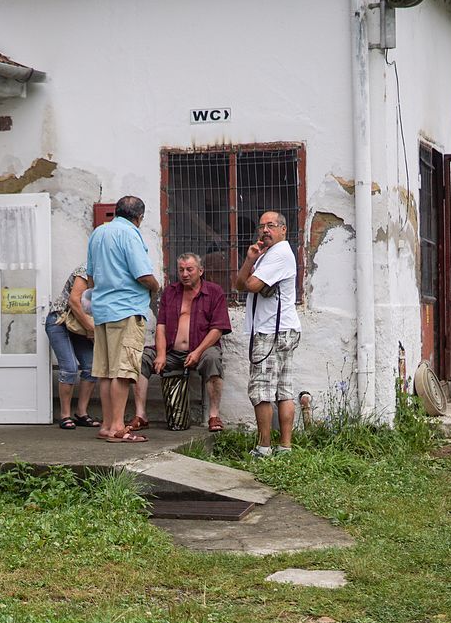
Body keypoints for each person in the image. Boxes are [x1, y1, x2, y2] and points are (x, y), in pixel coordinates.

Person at [86, 195, 160, 442]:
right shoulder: (130, 234)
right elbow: (142, 274)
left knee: (106, 372)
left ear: (116, 212)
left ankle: (107, 425)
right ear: (139, 217)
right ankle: (118, 427)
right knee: (123, 371)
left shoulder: (98, 233)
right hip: (126, 309)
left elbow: (90, 278)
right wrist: (155, 286)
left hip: (103, 310)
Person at [137, 253, 232, 431]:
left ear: (200, 271)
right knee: (142, 358)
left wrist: (197, 352)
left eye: (190, 269)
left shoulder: (214, 292)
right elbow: (161, 326)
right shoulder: (170, 292)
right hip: (172, 351)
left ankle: (214, 416)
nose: (185, 274)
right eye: (181, 270)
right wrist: (162, 353)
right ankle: (140, 415)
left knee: (212, 358)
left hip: (202, 349)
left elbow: (218, 329)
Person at [234, 210, 301, 457]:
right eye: (262, 226)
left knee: (261, 390)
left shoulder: (280, 253)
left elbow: (250, 285)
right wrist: (250, 258)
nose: (265, 230)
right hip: (282, 328)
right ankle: (284, 447)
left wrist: (251, 270)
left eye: (271, 225)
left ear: (283, 229)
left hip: (271, 331)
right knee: (283, 388)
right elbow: (239, 285)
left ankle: (264, 447)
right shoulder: (267, 255)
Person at [44, 266, 102, 430]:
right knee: (69, 368)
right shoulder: (86, 269)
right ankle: (64, 415)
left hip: (80, 325)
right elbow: (74, 302)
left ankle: (81, 414)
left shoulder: (109, 273)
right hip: (59, 321)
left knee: (91, 367)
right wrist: (91, 330)